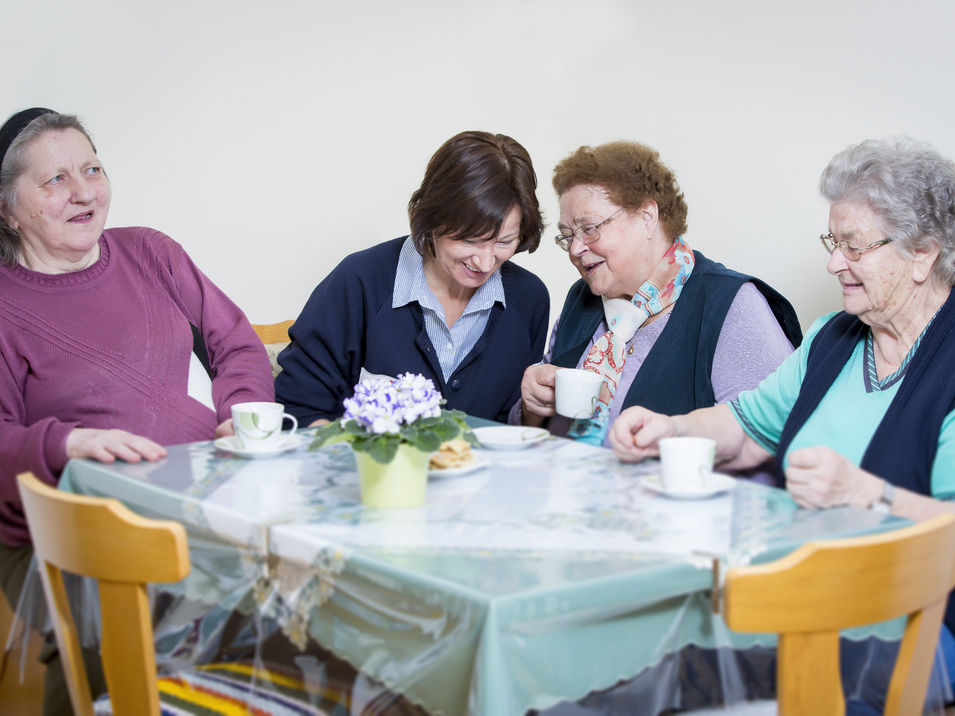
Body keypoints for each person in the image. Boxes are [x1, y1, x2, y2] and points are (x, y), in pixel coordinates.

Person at [610, 137, 955, 711]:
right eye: (832, 241)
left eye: (854, 245)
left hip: (901, 619)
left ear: (923, 254)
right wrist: (671, 430)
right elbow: (747, 426)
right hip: (800, 589)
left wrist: (863, 493)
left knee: (661, 670)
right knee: (636, 647)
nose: (833, 262)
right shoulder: (835, 339)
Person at [0, 108, 274, 714]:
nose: (83, 191)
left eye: (91, 169)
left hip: (203, 499)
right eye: (54, 180)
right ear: (6, 209)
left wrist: (242, 410)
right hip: (80, 527)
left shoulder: (150, 252)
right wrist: (66, 444)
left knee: (306, 596)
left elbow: (238, 345)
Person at [513, 141, 802, 449]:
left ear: (647, 216)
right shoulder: (580, 299)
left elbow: (770, 438)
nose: (575, 248)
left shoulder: (733, 306)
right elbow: (536, 430)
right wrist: (531, 407)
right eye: (568, 236)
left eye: (590, 228)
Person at [275, 131, 549, 425]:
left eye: (504, 242)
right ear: (433, 219)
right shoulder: (359, 282)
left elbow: (516, 429)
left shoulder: (529, 299)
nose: (484, 262)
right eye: (469, 240)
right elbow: (297, 408)